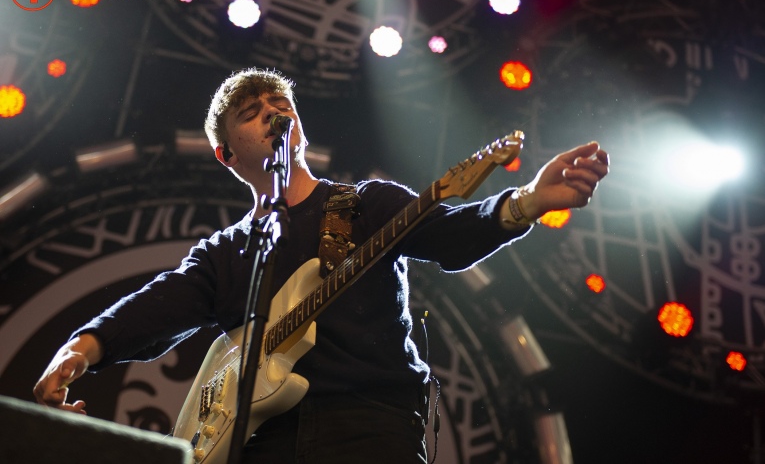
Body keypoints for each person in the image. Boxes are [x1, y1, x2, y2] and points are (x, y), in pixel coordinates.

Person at [33, 67, 609, 463]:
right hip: (260, 443)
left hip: (367, 427)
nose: (273, 114)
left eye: (281, 105)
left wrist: (527, 201)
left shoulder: (364, 205)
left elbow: (451, 237)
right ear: (226, 155)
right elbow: (154, 309)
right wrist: (76, 354)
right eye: (253, 112)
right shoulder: (227, 253)